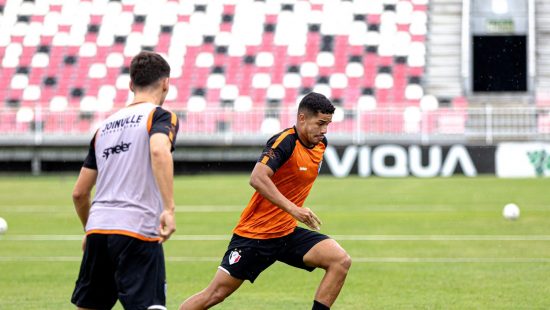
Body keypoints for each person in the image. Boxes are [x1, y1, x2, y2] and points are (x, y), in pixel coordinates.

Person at [179, 92, 352, 310]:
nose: (324, 130)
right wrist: (294, 209)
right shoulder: (285, 142)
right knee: (214, 295)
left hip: (286, 233)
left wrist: (291, 213)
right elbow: (257, 177)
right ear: (301, 118)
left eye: (328, 124)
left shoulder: (321, 144)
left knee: (340, 260)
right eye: (320, 123)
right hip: (256, 235)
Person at [71, 51, 179, 310]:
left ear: (131, 84)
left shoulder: (104, 128)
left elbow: (79, 193)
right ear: (166, 83)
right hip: (137, 229)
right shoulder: (159, 116)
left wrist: (89, 228)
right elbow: (158, 150)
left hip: (98, 230)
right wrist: (169, 208)